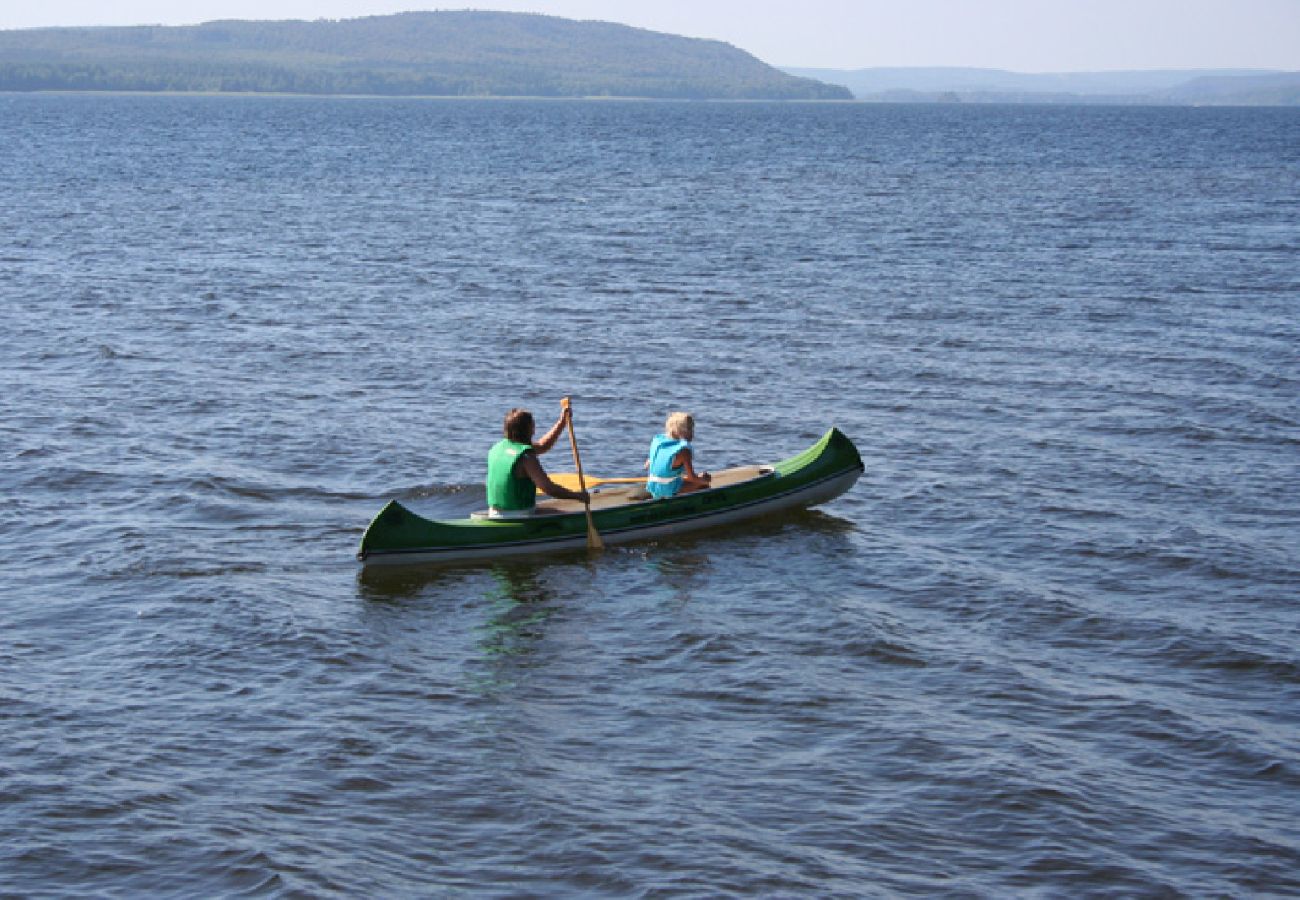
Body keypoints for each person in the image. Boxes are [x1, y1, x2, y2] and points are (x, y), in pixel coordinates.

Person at [486, 403, 590, 517]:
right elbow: (548, 488)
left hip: (494, 512)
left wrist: (562, 422)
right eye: (533, 426)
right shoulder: (526, 457)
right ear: (530, 430)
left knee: (553, 510)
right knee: (564, 514)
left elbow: (542, 446)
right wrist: (578, 496)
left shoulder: (497, 448)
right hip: (519, 515)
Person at [645, 411, 712, 499]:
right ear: (681, 430)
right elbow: (692, 478)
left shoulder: (658, 442)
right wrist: (704, 480)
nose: (692, 434)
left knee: (684, 480)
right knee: (703, 486)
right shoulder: (684, 451)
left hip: (653, 486)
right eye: (690, 429)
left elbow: (647, 465)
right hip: (668, 489)